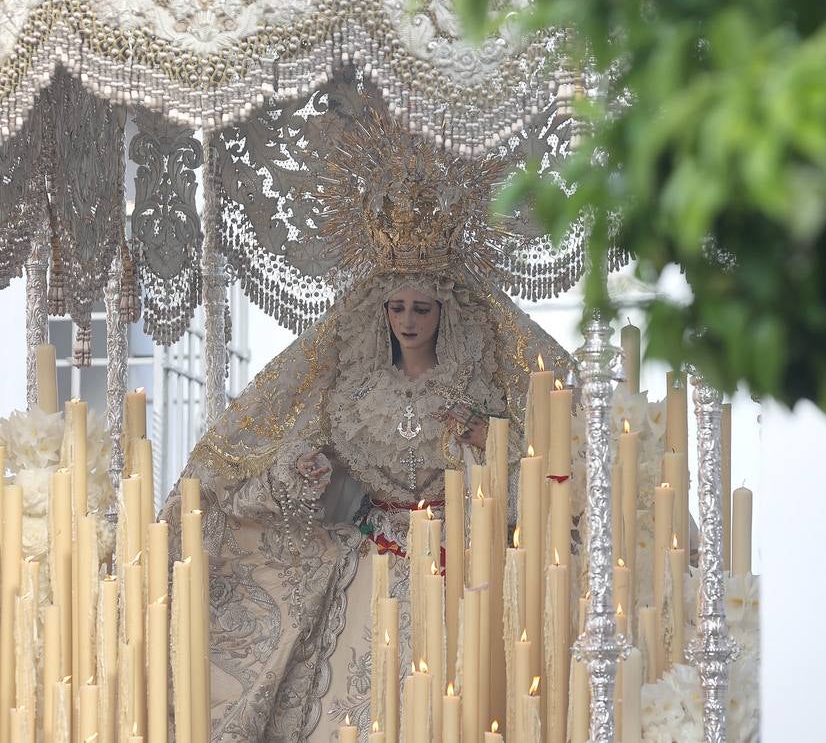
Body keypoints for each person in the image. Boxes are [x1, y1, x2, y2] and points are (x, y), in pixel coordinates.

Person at [160, 123, 575, 741]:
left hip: (460, 559)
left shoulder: (476, 390)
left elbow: (531, 465)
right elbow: (311, 462)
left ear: (446, 313)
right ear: (380, 311)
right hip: (367, 558)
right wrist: (310, 471)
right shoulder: (351, 390)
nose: (408, 320)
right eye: (397, 307)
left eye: (422, 308)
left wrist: (481, 440)